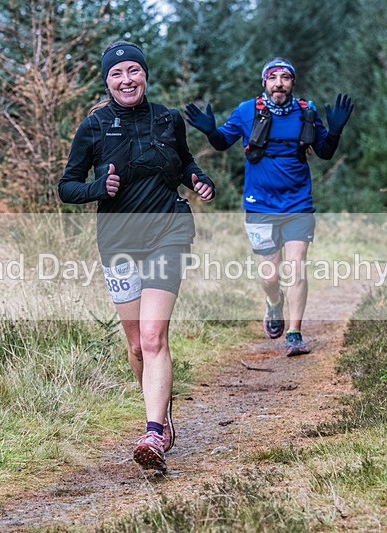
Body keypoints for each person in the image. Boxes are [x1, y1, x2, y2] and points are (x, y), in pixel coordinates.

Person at [58, 40, 215, 472]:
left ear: (145, 74)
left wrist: (199, 179)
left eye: (133, 71)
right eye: (116, 74)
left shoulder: (167, 119)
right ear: (107, 81)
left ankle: (152, 431)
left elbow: (183, 164)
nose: (126, 80)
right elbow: (66, 186)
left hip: (168, 230)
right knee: (136, 347)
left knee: (152, 336)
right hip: (118, 241)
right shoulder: (93, 127)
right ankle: (160, 418)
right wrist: (96, 189)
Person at [184, 57, 353, 356]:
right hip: (260, 205)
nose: (279, 82)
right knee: (269, 275)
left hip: (298, 204)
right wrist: (210, 131)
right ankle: (274, 304)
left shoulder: (306, 111)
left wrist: (335, 131)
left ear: (292, 82)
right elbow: (223, 142)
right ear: (264, 82)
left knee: (296, 267)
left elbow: (325, 152)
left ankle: (295, 334)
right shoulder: (247, 111)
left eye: (285, 77)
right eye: (273, 77)